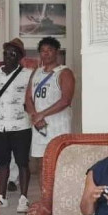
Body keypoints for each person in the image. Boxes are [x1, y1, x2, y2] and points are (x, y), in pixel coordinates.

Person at [0, 38, 33, 212]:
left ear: (20, 56)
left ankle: (23, 199)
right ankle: (1, 197)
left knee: (22, 163)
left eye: (13, 53)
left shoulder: (28, 75)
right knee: (2, 163)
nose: (9, 56)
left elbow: (32, 100)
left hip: (21, 126)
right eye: (6, 53)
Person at [25, 37, 75, 182]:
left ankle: (57, 200)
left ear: (57, 52)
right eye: (42, 51)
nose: (46, 54)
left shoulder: (64, 72)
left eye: (49, 50)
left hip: (58, 126)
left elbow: (66, 100)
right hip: (40, 127)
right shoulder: (36, 73)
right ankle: (45, 201)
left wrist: (42, 114)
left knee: (58, 163)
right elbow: (28, 97)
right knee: (43, 165)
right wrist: (35, 116)